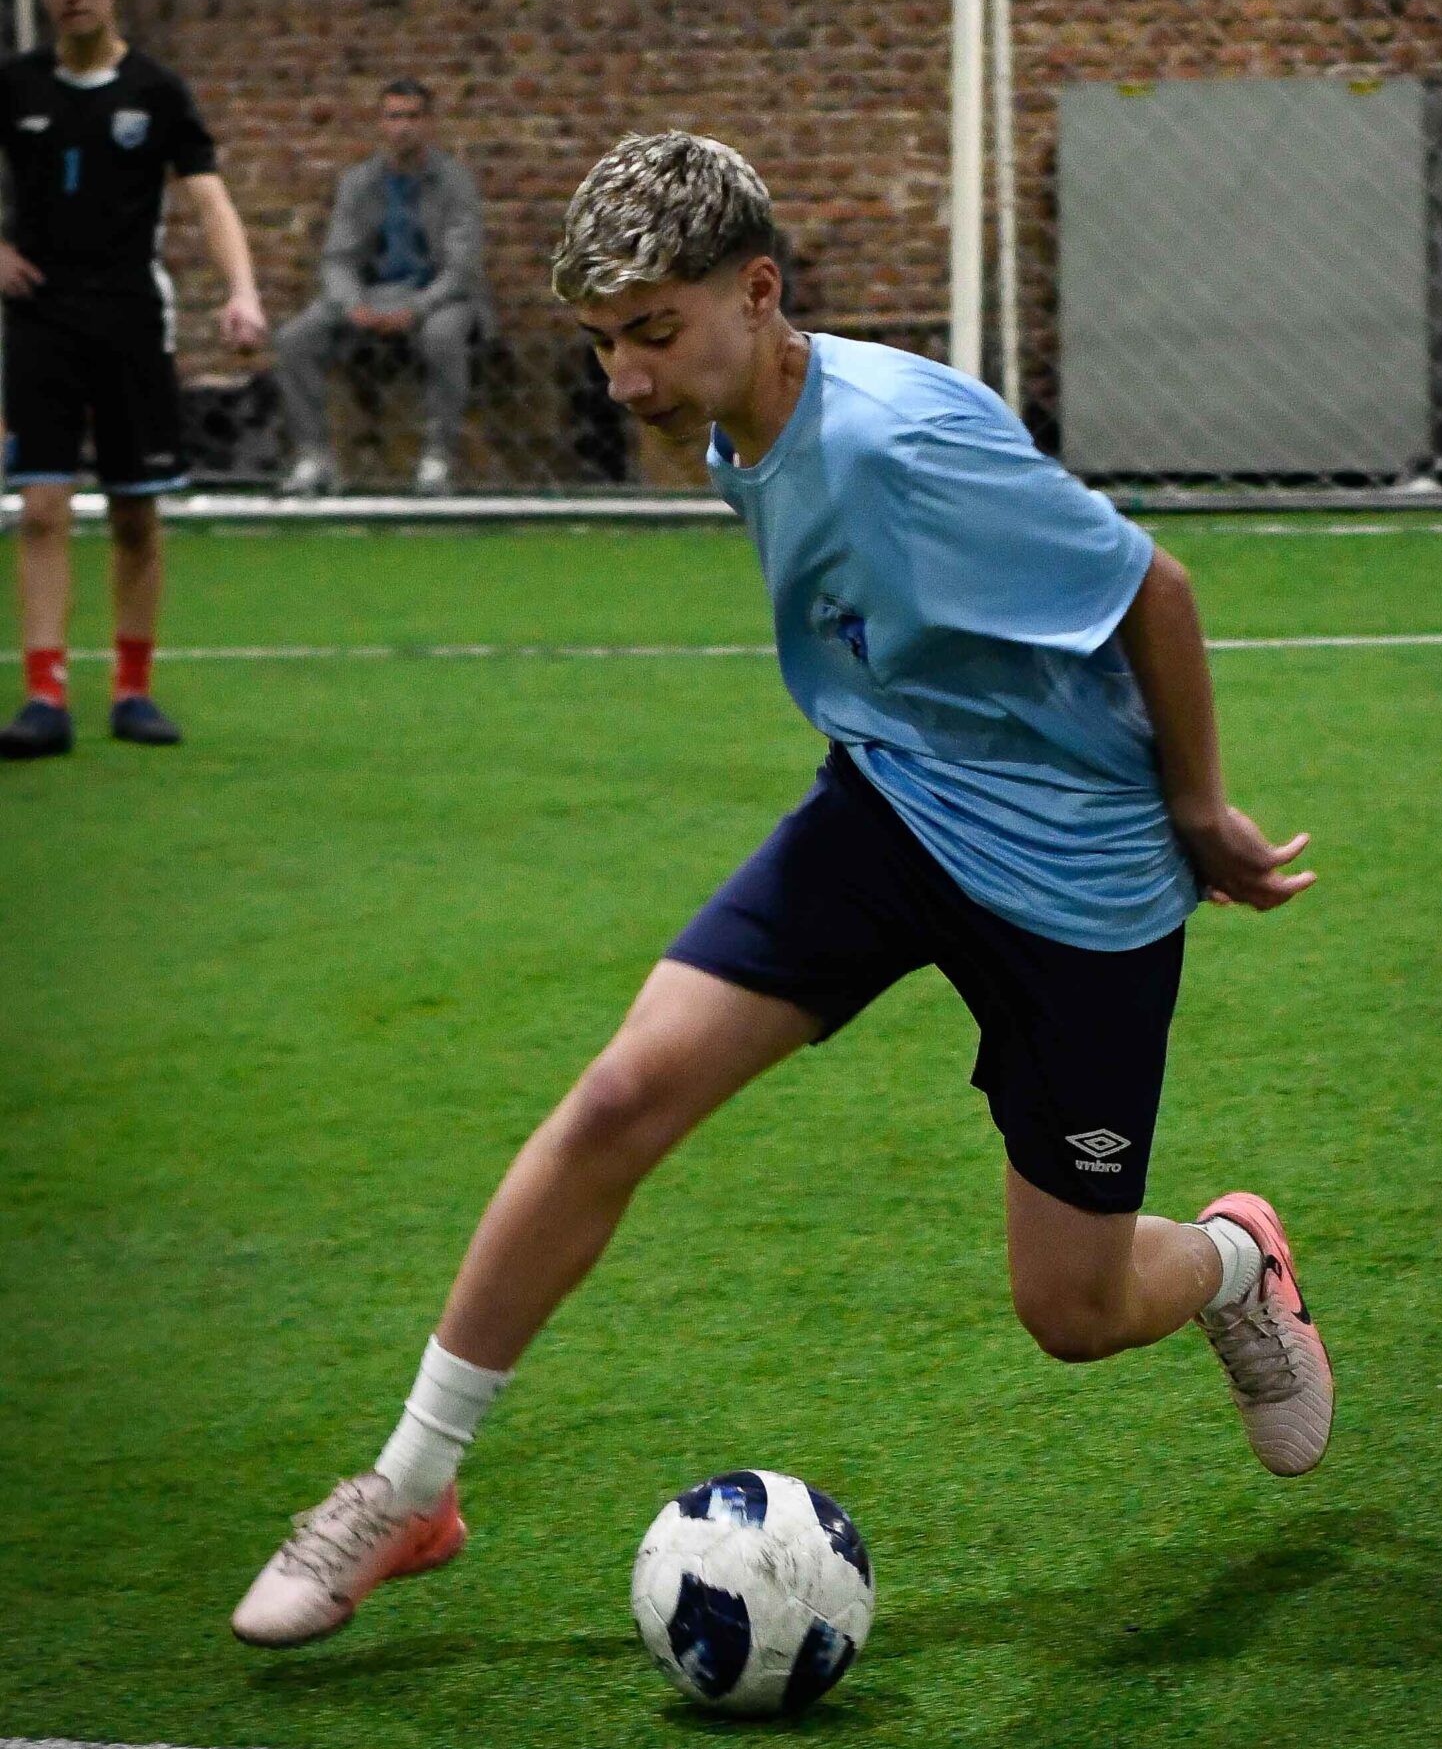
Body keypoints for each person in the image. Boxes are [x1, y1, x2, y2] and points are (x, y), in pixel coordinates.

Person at [232, 131, 1333, 1650]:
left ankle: (1232, 1264)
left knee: (1071, 1312)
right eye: (602, 341)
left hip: (1073, 873)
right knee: (621, 1097)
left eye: (652, 331)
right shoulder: (729, 426)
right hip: (887, 809)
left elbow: (1155, 586)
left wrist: (1196, 810)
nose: (623, 376)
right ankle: (408, 1486)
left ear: (757, 293)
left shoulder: (900, 438)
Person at [0, 0, 265, 761]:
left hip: (130, 321)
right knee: (41, 509)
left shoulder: (155, 91)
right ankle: (44, 697)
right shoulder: (16, 85)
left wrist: (242, 291)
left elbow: (209, 197)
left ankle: (132, 690)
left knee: (135, 513)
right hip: (40, 319)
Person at [275, 80, 487, 497]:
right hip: (370, 296)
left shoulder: (455, 182)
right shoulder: (359, 183)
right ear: (380, 123)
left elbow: (461, 268)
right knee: (294, 338)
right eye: (393, 116)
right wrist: (352, 303)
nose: (403, 127)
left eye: (412, 116)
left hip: (437, 298)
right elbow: (338, 258)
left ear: (429, 123)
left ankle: (437, 459)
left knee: (443, 335)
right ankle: (313, 458)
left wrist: (417, 308)